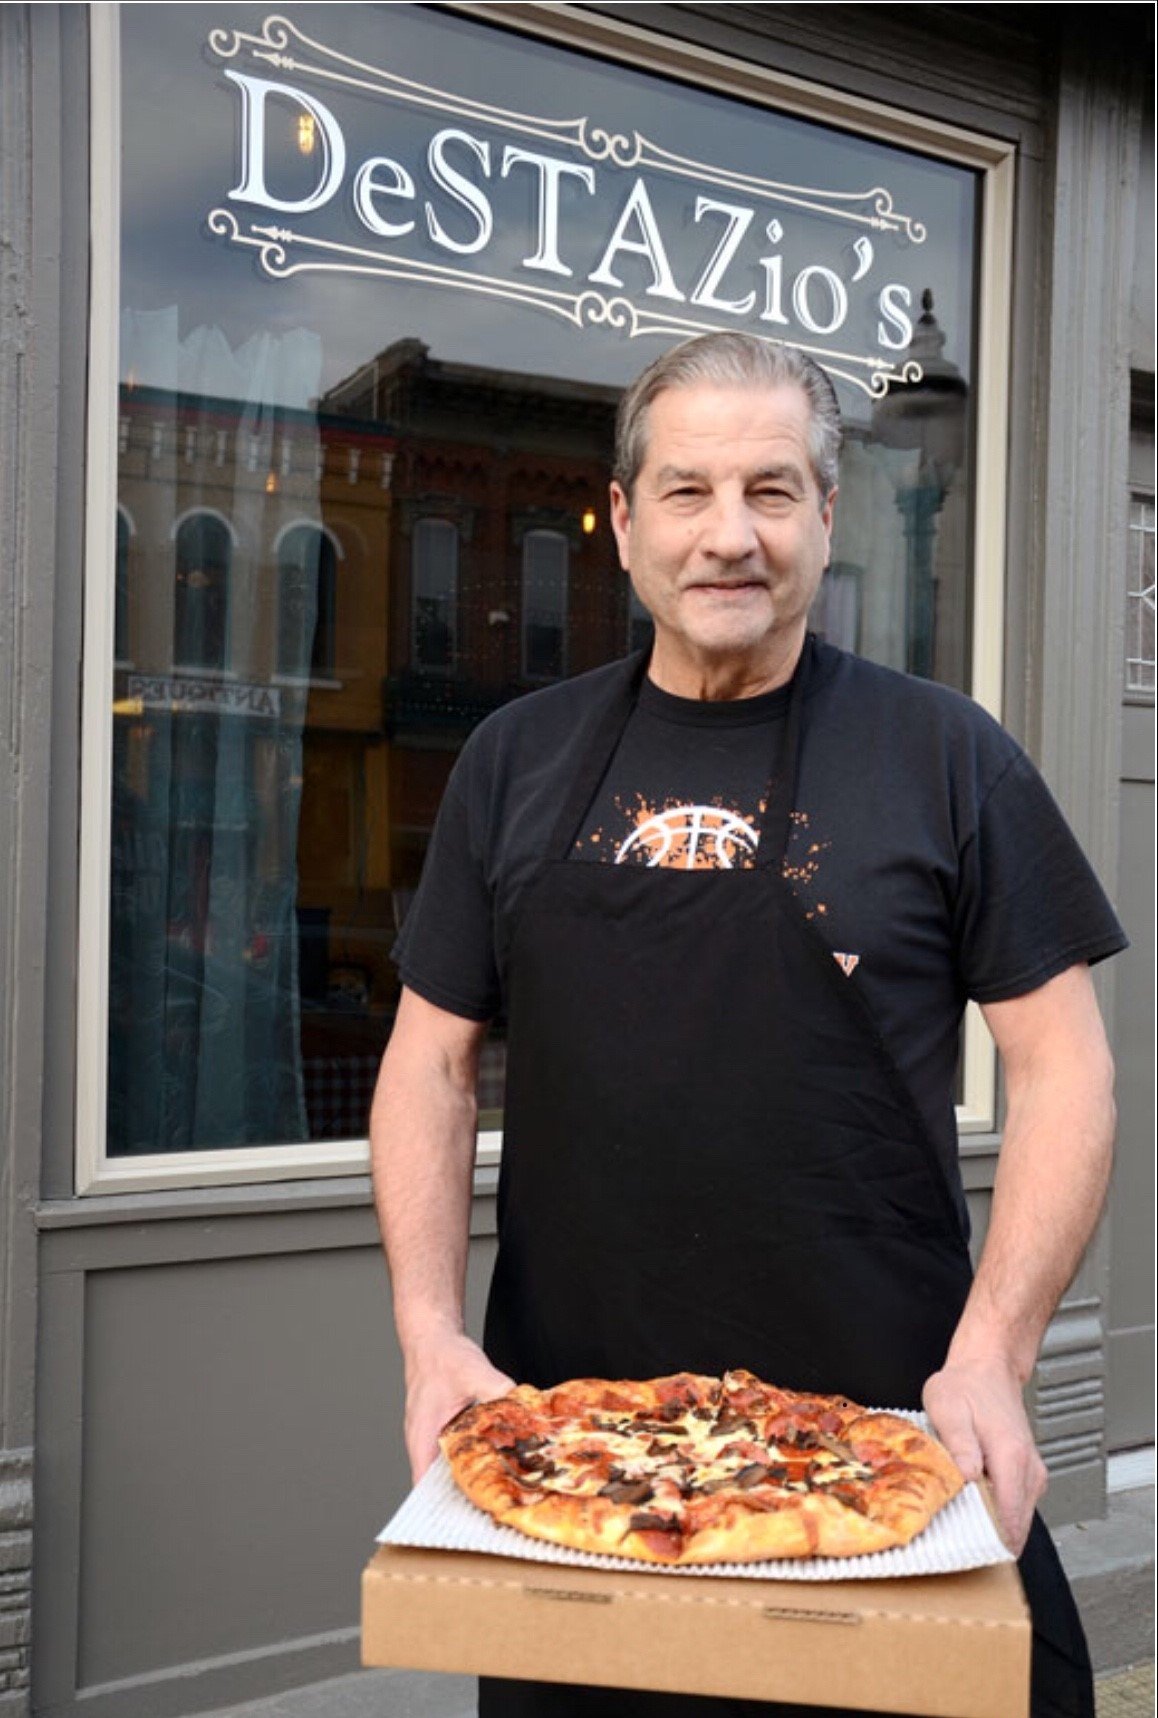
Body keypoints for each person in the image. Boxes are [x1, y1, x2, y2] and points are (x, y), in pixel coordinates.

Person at [370, 333, 1125, 1718]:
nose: (731, 535)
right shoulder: (513, 760)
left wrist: (995, 1354)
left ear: (826, 514)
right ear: (621, 520)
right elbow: (429, 1060)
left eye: (772, 490)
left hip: (889, 1438)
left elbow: (1065, 1067)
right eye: (687, 491)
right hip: (578, 1451)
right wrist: (430, 1334)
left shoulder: (947, 754)